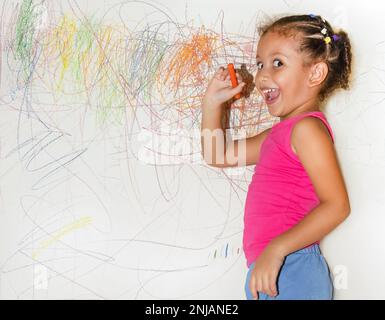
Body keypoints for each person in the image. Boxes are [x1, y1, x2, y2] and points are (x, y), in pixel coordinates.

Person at [200, 14, 352, 300]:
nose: (260, 76)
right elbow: (217, 153)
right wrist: (212, 104)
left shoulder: (307, 129)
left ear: (315, 74)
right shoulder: (278, 135)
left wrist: (278, 248)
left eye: (277, 63)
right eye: (260, 64)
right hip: (272, 267)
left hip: (291, 264)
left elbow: (337, 206)